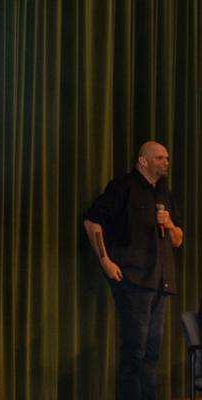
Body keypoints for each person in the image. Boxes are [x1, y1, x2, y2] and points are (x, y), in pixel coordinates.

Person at [83, 140, 183, 399]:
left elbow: (178, 240)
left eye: (167, 158)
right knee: (134, 351)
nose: (166, 162)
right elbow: (92, 221)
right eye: (160, 158)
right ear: (143, 161)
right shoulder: (123, 187)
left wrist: (170, 225)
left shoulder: (164, 191)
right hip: (134, 279)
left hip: (161, 281)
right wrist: (105, 261)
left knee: (152, 352)